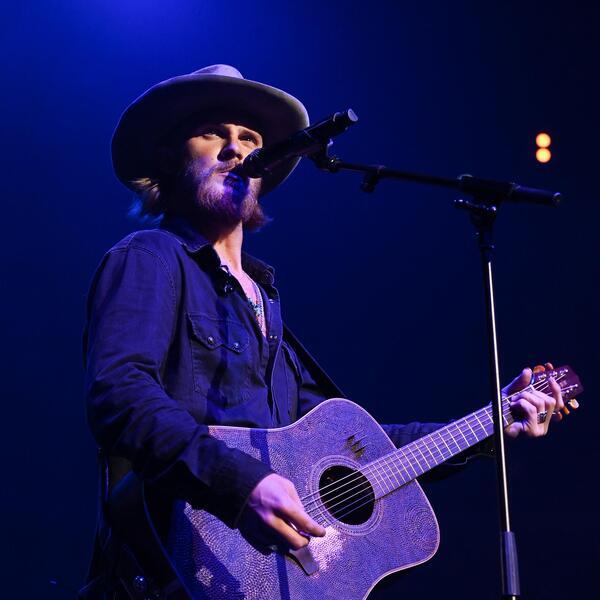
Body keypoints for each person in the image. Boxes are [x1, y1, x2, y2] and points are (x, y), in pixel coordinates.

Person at [80, 64, 563, 598]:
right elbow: (119, 394)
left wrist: (493, 420)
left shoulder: (265, 304)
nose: (235, 148)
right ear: (173, 158)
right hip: (175, 571)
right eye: (213, 133)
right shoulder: (150, 256)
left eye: (250, 138)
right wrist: (241, 484)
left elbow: (362, 454)